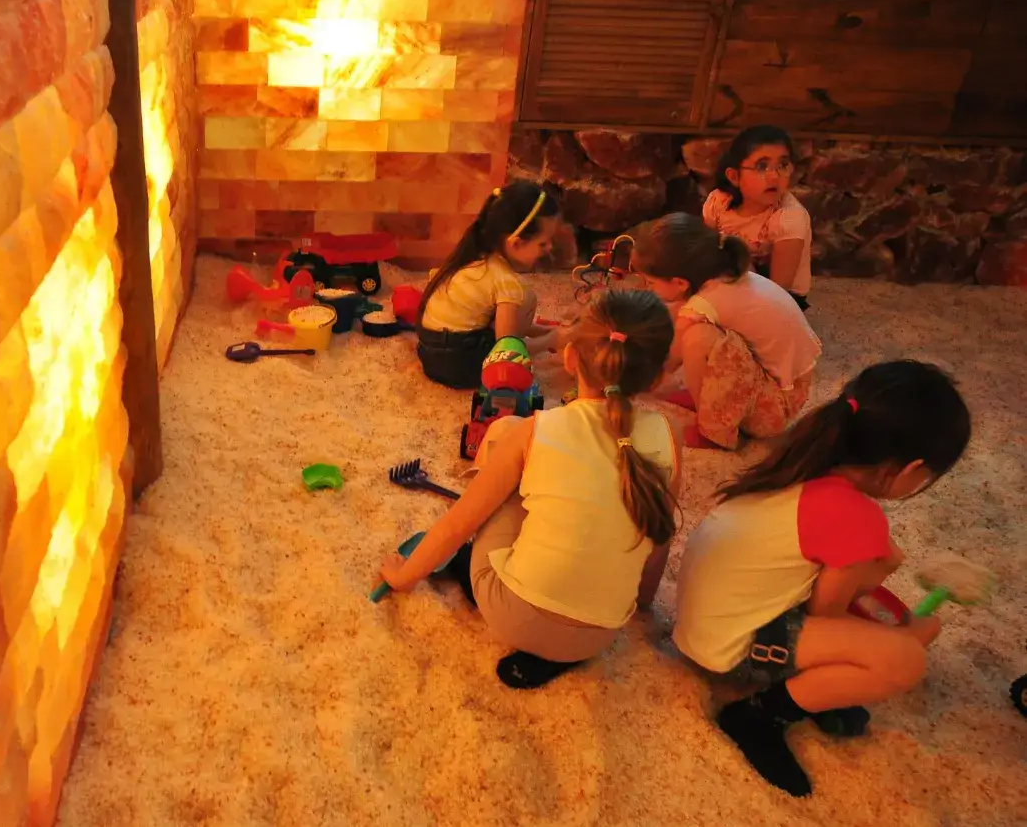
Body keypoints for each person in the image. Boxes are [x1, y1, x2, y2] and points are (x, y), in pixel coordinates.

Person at [672, 360, 972, 797]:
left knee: (874, 614)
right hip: (730, 651)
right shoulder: (857, 514)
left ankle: (811, 693)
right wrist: (906, 636)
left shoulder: (803, 463)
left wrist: (879, 568)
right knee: (904, 660)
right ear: (911, 469)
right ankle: (760, 715)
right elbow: (825, 613)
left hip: (701, 627)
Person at [380, 289, 680, 689]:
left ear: (570, 358)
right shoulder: (670, 437)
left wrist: (403, 577)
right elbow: (658, 534)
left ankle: (482, 575)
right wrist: (641, 601)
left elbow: (458, 523)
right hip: (600, 634)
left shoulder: (536, 430)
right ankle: (554, 641)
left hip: (512, 615)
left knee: (502, 439)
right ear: (658, 378)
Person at [631, 212, 820, 450]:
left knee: (696, 339)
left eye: (650, 282)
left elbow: (671, 360)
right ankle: (709, 400)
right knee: (690, 323)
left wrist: (637, 382)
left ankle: (714, 431)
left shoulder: (705, 302)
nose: (646, 288)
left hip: (776, 408)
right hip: (788, 387)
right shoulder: (725, 277)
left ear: (680, 282)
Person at [416, 181, 562, 389]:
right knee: (525, 298)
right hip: (460, 366)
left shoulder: (476, 257)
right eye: (543, 243)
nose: (550, 248)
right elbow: (507, 351)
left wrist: (543, 330)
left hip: (429, 355)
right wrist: (553, 340)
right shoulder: (507, 282)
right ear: (516, 243)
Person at [704, 125, 813, 310]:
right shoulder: (718, 202)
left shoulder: (790, 217)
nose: (774, 176)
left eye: (783, 165)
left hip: (780, 296)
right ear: (734, 176)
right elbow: (707, 252)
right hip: (733, 279)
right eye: (761, 166)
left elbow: (778, 292)